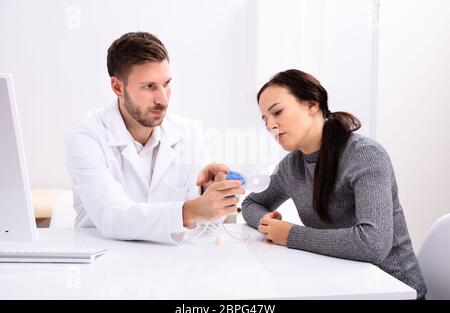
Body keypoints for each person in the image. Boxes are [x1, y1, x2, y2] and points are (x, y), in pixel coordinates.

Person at [242, 69, 427, 299]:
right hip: (342, 285)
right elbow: (252, 203)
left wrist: (290, 235)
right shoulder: (292, 165)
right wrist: (265, 221)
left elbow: (373, 244)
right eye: (265, 120)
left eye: (277, 112)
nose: (271, 126)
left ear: (312, 104)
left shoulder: (365, 155)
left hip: (392, 289)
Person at [66, 32, 244, 244]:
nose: (163, 99)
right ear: (117, 87)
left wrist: (210, 194)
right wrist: (189, 210)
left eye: (166, 84)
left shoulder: (187, 133)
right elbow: (112, 216)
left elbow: (206, 227)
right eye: (149, 86)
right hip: (107, 262)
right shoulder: (87, 137)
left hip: (171, 267)